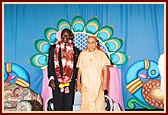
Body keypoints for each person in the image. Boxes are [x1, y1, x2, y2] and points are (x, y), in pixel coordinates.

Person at [47, 28, 80, 111]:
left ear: (71, 37)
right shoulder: (53, 48)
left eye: (67, 35)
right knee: (58, 106)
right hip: (56, 81)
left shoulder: (76, 51)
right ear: (61, 36)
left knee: (69, 106)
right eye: (64, 35)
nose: (65, 37)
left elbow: (76, 67)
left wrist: (76, 81)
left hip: (70, 82)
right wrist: (51, 78)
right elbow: (50, 64)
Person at [76, 35, 111, 111]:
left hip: (98, 84)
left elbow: (105, 69)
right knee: (85, 103)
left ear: (96, 44)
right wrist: (78, 83)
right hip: (86, 84)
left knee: (98, 104)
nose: (90, 45)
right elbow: (79, 70)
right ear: (86, 44)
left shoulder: (101, 54)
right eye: (88, 43)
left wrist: (105, 83)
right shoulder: (82, 54)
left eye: (92, 42)